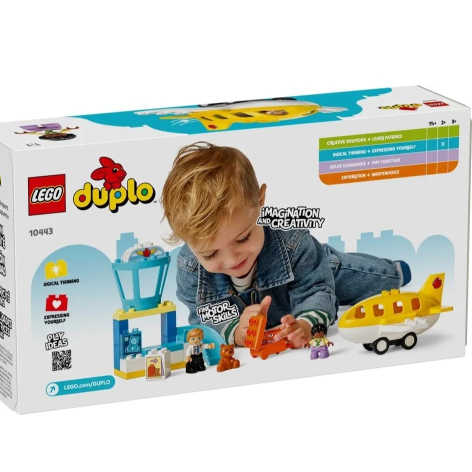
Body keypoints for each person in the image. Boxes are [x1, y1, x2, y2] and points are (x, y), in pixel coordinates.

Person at [161, 142, 411, 348]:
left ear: (260, 200)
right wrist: (235, 331)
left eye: (243, 238)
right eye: (210, 254)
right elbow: (201, 316)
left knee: (357, 277)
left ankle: (395, 272)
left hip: (309, 268)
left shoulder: (296, 246)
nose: (231, 259)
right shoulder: (189, 268)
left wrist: (306, 324)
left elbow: (317, 292)